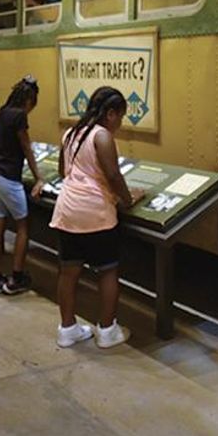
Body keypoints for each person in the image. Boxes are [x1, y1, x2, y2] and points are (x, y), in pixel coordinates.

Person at [49, 86, 144, 349]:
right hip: (95, 213)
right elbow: (113, 175)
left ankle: (67, 330)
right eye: (121, 117)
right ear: (110, 113)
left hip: (67, 211)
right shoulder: (101, 136)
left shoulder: (71, 133)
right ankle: (107, 331)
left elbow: (62, 170)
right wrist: (128, 199)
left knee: (68, 272)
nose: (121, 123)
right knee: (107, 271)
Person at [0, 76, 45, 295]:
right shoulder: (19, 115)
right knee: (23, 227)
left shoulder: (3, 111)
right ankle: (17, 277)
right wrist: (39, 177)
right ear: (29, 99)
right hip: (8, 178)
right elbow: (26, 147)